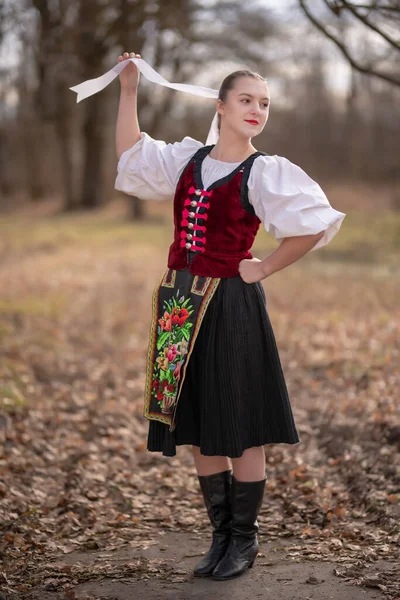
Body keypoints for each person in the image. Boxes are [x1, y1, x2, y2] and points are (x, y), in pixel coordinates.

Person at [114, 51, 346, 582]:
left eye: (264, 103)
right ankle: (219, 535)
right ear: (220, 106)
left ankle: (244, 539)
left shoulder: (265, 171)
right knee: (197, 423)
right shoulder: (187, 161)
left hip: (231, 303)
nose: (256, 110)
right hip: (180, 304)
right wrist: (128, 91)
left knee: (238, 423)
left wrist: (264, 266)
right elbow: (130, 156)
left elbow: (315, 223)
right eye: (245, 100)